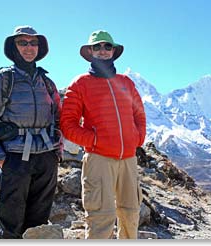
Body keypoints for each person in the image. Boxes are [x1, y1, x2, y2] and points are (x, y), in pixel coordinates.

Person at [0, 25, 62, 239]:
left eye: (33, 43)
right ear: (14, 48)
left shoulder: (47, 82)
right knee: (10, 224)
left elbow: (58, 119)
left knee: (39, 223)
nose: (29, 47)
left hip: (46, 159)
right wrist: (1, 159)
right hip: (14, 158)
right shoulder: (3, 80)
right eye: (22, 42)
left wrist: (56, 154)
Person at [60, 30, 146, 239]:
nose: (102, 50)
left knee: (131, 214)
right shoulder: (80, 84)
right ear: (90, 52)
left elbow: (139, 114)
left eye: (107, 46)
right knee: (101, 217)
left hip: (128, 159)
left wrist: (137, 138)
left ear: (113, 51)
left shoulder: (126, 82)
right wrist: (95, 141)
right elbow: (68, 124)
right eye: (97, 47)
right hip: (98, 160)